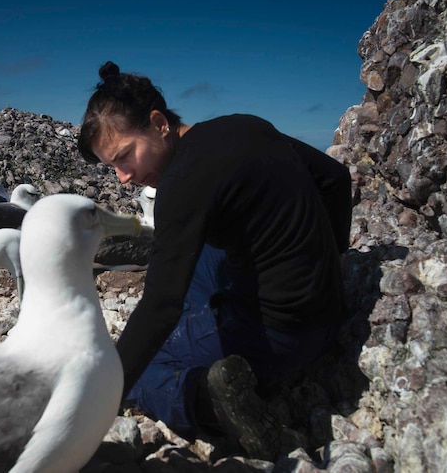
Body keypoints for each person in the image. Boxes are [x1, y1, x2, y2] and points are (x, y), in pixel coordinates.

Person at [77, 61, 352, 460]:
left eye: (125, 156)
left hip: (286, 336)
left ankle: (215, 407)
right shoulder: (244, 127)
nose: (123, 176)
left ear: (158, 123)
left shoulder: (181, 182)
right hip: (327, 303)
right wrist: (329, 264)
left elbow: (160, 307)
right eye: (113, 166)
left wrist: (105, 394)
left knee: (147, 368)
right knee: (194, 252)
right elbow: (335, 179)